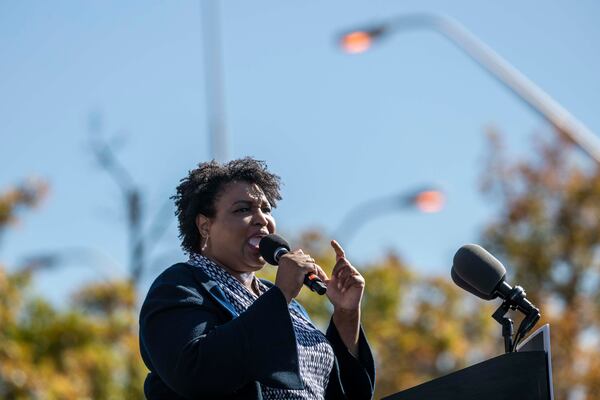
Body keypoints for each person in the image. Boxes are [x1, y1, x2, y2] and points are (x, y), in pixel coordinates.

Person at [139, 157, 375, 399]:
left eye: (266, 209)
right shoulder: (181, 285)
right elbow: (193, 372)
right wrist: (281, 294)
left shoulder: (289, 307)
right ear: (205, 226)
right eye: (243, 209)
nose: (261, 219)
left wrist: (346, 314)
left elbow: (345, 393)